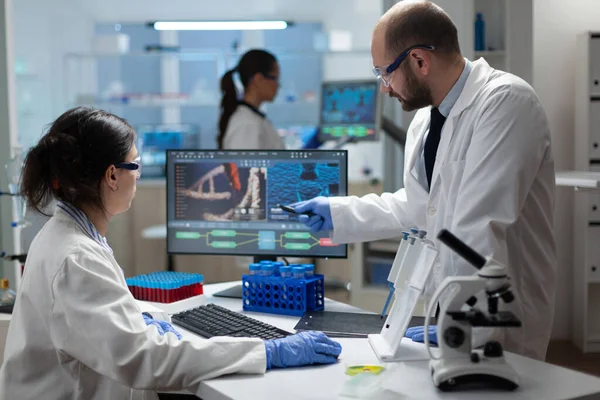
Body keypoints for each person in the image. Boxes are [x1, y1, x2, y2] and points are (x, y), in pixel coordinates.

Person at [0, 106, 342, 399]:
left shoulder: (68, 235)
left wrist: (147, 315)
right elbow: (145, 358)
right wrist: (267, 351)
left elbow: (99, 312)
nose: (139, 172)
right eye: (136, 163)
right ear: (112, 176)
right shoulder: (76, 257)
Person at [293, 0, 556, 361]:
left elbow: (477, 228)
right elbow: (421, 207)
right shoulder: (425, 121)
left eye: (385, 73)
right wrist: (340, 214)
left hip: (499, 320)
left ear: (419, 60)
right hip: (452, 313)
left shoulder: (506, 103)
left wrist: (461, 323)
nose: (384, 88)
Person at [218, 49, 285, 150]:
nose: (278, 85)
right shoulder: (247, 124)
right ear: (258, 79)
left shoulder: (253, 119)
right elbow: (244, 165)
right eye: (275, 78)